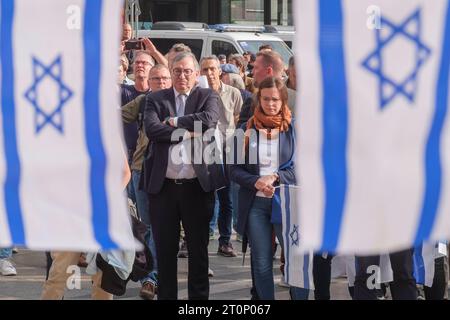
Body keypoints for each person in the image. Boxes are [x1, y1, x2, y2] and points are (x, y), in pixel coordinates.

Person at [143, 52, 222, 299]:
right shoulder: (155, 98)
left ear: (196, 74)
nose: (182, 76)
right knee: (165, 255)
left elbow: (208, 121)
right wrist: (189, 132)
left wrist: (174, 122)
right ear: (171, 73)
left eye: (188, 71)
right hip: (163, 188)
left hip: (196, 188)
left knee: (198, 253)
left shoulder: (207, 95)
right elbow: (153, 130)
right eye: (177, 71)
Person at [229, 77, 308, 300]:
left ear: (283, 100)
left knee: (296, 260)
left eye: (275, 99)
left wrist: (275, 177)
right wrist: (255, 181)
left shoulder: (295, 130)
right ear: (258, 99)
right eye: (265, 99)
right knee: (261, 261)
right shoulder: (244, 129)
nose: (270, 104)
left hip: (288, 202)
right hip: (256, 204)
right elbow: (232, 169)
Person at [121, 64, 172, 300]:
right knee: (149, 227)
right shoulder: (143, 101)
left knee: (166, 228)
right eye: (156, 79)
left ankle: (157, 275)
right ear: (148, 82)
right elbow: (116, 115)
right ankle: (150, 278)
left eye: (164, 78)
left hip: (172, 173)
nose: (160, 82)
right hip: (142, 170)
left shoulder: (182, 102)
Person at [200, 56, 243, 258]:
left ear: (220, 71)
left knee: (226, 199)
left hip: (226, 151)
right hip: (205, 151)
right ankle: (204, 237)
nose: (209, 73)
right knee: (207, 197)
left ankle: (225, 241)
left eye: (212, 69)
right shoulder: (197, 94)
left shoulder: (233, 93)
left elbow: (238, 119)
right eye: (205, 69)